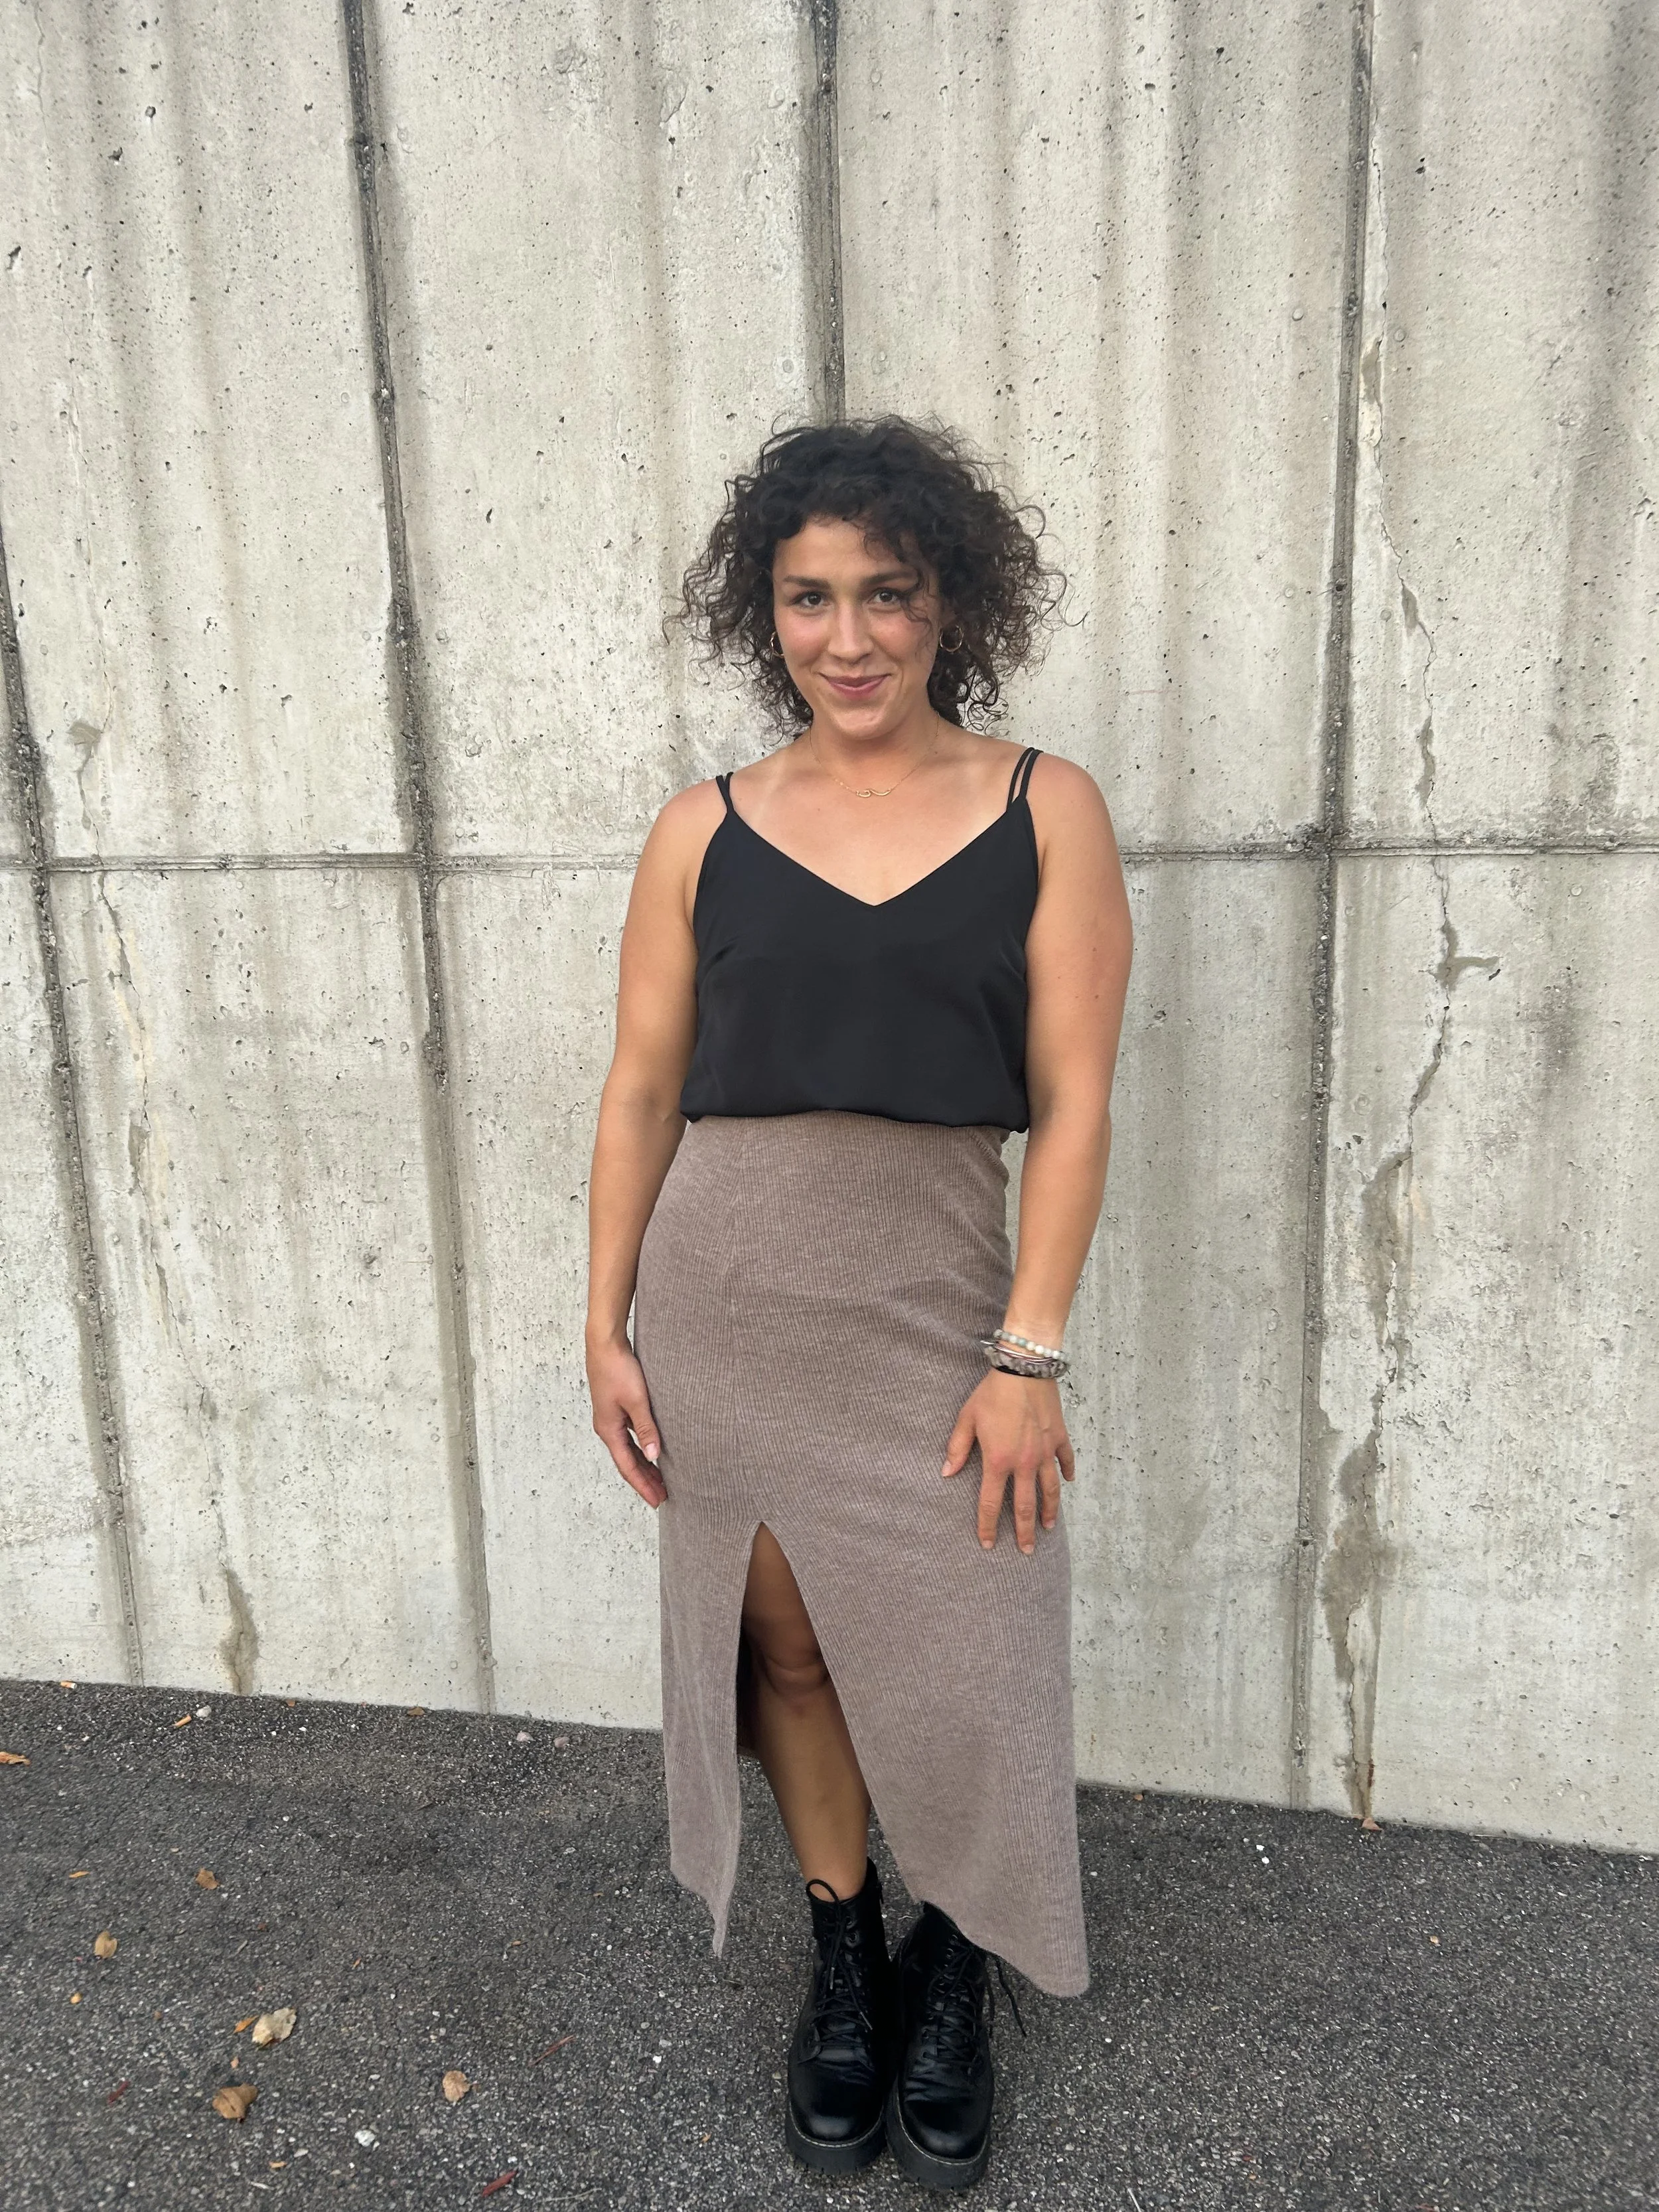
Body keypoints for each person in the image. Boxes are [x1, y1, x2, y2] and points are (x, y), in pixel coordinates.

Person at [585, 417, 1132, 2191]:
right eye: (808, 598)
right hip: (726, 1296)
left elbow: (1076, 1097)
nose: (847, 636)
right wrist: (602, 1322)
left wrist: (1028, 1348)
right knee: (794, 1651)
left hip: (942, 1299)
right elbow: (637, 1088)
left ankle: (952, 1946)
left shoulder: (1045, 806)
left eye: (884, 593)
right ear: (767, 618)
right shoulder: (703, 830)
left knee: (972, 1664)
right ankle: (844, 1946)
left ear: (948, 600)